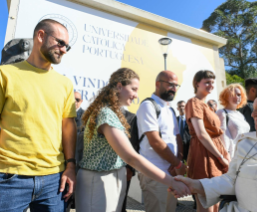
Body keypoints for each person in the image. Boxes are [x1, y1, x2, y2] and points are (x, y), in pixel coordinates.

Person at [75, 68, 190, 212]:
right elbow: (131, 157)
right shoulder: (106, 114)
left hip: (110, 178)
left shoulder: (111, 113)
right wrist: (171, 181)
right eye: (133, 89)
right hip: (99, 180)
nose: (136, 95)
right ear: (118, 86)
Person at [0, 19, 76, 211]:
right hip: (9, 179)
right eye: (60, 43)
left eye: (67, 45)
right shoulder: (5, 74)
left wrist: (70, 166)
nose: (64, 50)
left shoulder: (65, 85)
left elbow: (68, 128)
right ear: (40, 36)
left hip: (54, 181)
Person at [136, 70, 187, 212]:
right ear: (158, 84)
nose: (174, 89)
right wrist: (177, 164)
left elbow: (177, 138)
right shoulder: (148, 106)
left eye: (177, 86)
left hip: (171, 173)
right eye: (171, 84)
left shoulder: (170, 110)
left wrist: (178, 160)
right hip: (154, 172)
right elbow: (155, 141)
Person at [185, 70, 230, 212]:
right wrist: (220, 156)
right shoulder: (194, 102)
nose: (210, 85)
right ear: (197, 84)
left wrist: (224, 154)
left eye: (212, 82)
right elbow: (201, 134)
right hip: (204, 153)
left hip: (215, 152)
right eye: (206, 82)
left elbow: (215, 134)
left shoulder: (207, 106)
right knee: (206, 205)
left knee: (216, 203)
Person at [216, 84, 250, 158]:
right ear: (226, 96)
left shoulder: (240, 115)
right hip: (231, 155)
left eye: (239, 94)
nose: (237, 97)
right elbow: (222, 137)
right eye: (233, 94)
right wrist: (225, 157)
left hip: (244, 153)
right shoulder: (221, 112)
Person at [121, 109, 138, 212]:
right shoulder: (103, 113)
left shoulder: (132, 117)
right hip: (106, 167)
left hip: (125, 167)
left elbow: (134, 144)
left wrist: (130, 167)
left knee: (121, 201)